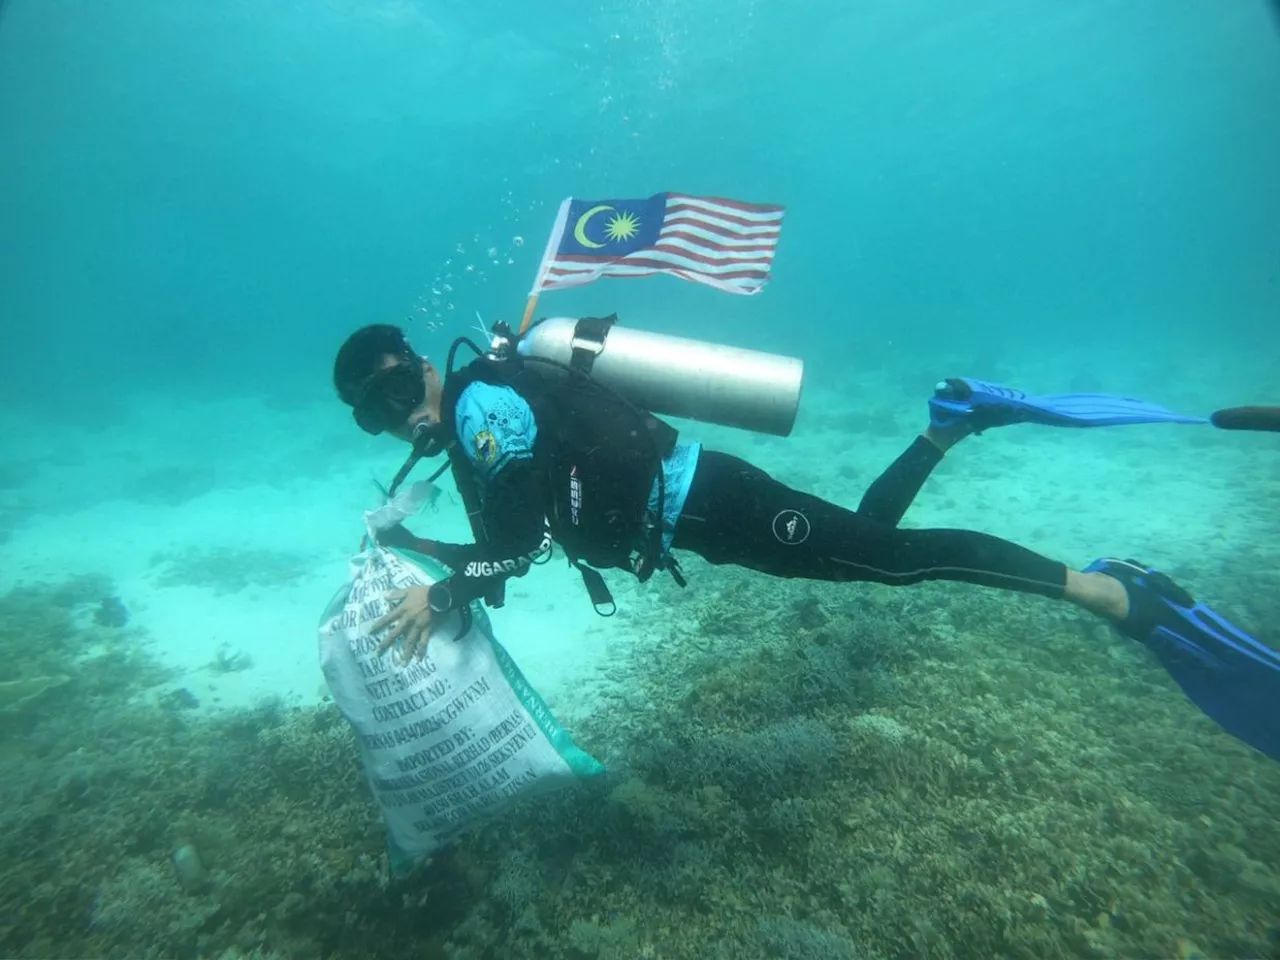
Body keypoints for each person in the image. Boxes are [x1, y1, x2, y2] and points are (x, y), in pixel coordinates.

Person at [333, 322, 1280, 762]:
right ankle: (949, 424)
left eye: (391, 387)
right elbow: (508, 545)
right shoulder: (471, 417)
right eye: (372, 412)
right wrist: (418, 544)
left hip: (707, 501)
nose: (391, 412)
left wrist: (444, 589)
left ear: (420, 364)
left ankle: (1109, 590)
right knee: (871, 546)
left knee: (890, 562)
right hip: (699, 513)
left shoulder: (480, 410)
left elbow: (520, 547)